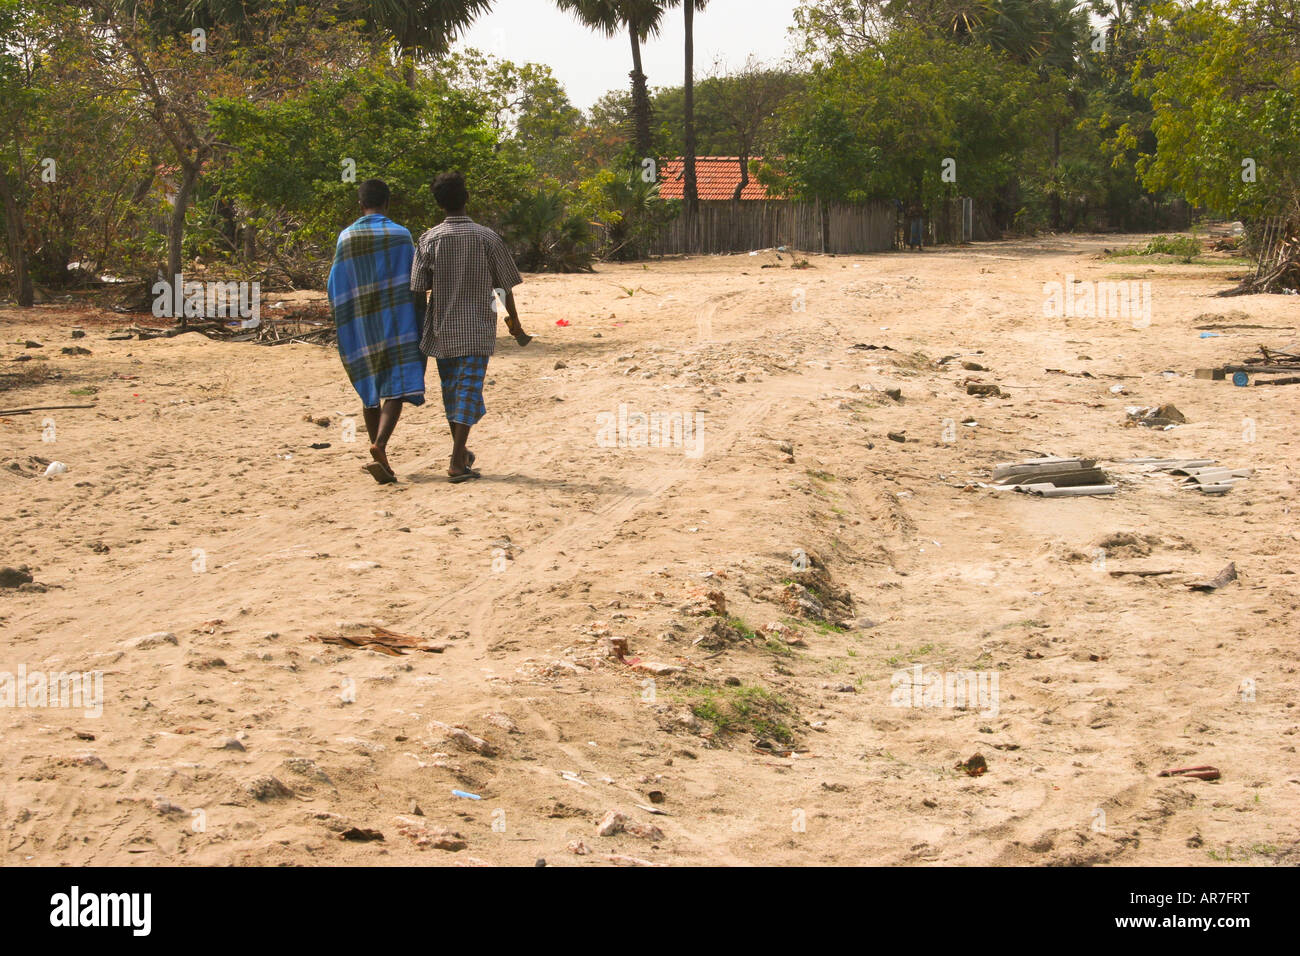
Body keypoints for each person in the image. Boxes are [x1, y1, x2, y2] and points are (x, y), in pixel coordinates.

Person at [410, 171, 532, 483]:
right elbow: (504, 287)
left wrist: (419, 328)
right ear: (467, 198)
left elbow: (417, 289)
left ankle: (461, 454)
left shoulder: (428, 240)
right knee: (466, 391)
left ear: (439, 204)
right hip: (477, 328)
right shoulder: (487, 238)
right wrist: (514, 321)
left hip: (442, 329)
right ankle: (455, 461)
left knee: (454, 392)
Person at [326, 178, 426, 484]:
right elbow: (416, 279)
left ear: (360, 205)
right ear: (388, 202)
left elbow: (335, 283)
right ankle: (379, 444)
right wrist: (420, 313)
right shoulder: (401, 235)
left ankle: (381, 456)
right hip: (397, 321)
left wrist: (347, 316)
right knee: (397, 382)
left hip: (362, 322)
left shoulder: (346, 237)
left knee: (370, 385)